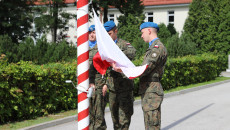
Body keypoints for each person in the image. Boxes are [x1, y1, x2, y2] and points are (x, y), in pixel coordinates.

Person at [104, 21, 136, 130]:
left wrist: (117, 54)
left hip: (125, 88)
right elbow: (101, 68)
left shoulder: (123, 44)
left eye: (109, 34)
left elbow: (133, 53)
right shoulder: (104, 47)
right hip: (113, 89)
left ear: (115, 31)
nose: (108, 36)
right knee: (115, 119)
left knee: (124, 119)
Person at [139, 22, 167, 129]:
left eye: (142, 33)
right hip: (148, 89)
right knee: (149, 124)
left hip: (152, 90)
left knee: (152, 125)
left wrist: (128, 71)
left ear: (149, 31)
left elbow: (147, 67)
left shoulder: (157, 47)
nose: (141, 36)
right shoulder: (152, 47)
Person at [88, 25, 108, 130]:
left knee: (99, 113)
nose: (91, 35)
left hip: (99, 84)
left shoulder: (102, 47)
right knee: (89, 113)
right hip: (86, 84)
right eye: (90, 33)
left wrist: (106, 84)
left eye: (94, 32)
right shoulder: (83, 47)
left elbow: (107, 67)